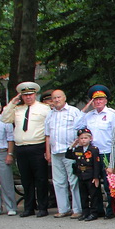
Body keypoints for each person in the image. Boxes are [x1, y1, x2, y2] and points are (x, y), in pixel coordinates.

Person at [1, 81, 51, 218]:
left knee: (41, 179)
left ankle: (43, 207)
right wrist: (12, 103)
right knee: (26, 179)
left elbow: (49, 128)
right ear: (21, 96)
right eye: (25, 95)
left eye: (30, 94)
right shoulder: (18, 109)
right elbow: (4, 118)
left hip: (37, 146)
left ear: (35, 94)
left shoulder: (44, 109)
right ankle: (29, 207)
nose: (28, 97)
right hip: (21, 148)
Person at [75, 85, 115, 219]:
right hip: (92, 154)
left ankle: (110, 211)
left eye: (101, 99)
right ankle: (97, 210)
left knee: (109, 183)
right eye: (95, 100)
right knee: (94, 184)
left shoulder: (112, 115)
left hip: (106, 152)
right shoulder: (88, 116)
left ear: (106, 100)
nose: (98, 102)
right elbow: (76, 126)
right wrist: (84, 110)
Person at [44, 89, 83, 219]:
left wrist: (77, 147)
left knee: (74, 181)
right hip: (55, 152)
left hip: (70, 152)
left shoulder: (74, 112)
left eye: (59, 97)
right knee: (58, 182)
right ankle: (63, 209)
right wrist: (48, 152)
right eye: (54, 98)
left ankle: (77, 209)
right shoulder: (50, 114)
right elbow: (47, 135)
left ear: (64, 98)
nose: (56, 100)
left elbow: (81, 131)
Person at [66, 128, 102, 221]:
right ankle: (85, 212)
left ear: (90, 139)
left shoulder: (93, 149)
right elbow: (68, 155)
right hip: (81, 175)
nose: (83, 140)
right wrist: (72, 146)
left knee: (93, 195)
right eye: (81, 138)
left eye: (85, 138)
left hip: (90, 175)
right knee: (83, 195)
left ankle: (94, 213)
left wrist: (96, 177)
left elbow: (96, 164)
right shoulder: (78, 149)